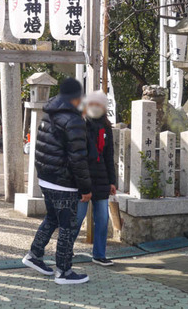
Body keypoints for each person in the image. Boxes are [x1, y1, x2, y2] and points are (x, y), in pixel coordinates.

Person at [22, 77, 93, 285]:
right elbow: (78, 158)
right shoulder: (74, 120)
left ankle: (34, 255)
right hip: (63, 182)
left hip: (46, 179)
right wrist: (85, 188)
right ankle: (63, 271)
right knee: (68, 226)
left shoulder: (49, 114)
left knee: (52, 219)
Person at [73, 91, 117, 266]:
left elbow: (109, 155)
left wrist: (112, 181)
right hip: (83, 179)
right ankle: (65, 250)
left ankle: (99, 254)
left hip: (102, 179)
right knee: (77, 217)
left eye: (99, 104)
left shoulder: (106, 127)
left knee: (103, 219)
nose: (95, 107)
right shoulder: (80, 124)